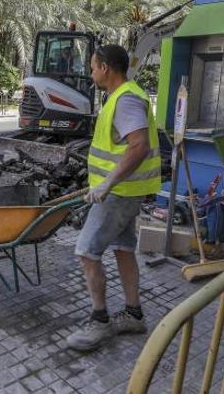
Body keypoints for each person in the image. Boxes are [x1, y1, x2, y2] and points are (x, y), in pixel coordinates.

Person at [66, 44, 161, 351]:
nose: (91, 72)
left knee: (86, 251)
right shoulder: (121, 96)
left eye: (93, 67)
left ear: (105, 68)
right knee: (122, 249)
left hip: (119, 193)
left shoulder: (126, 99)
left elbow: (139, 146)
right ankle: (133, 314)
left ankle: (100, 321)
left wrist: (107, 183)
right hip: (125, 191)